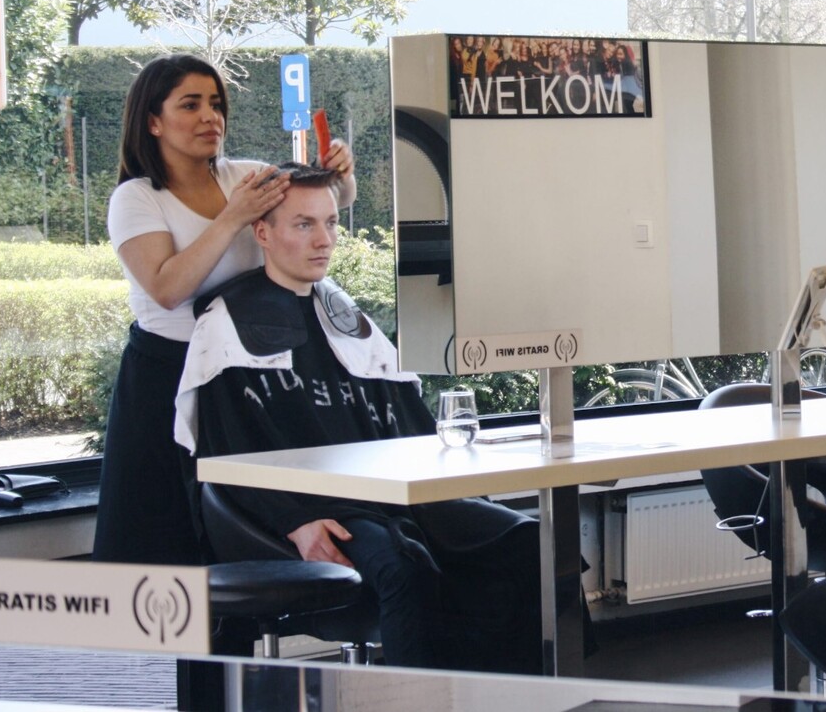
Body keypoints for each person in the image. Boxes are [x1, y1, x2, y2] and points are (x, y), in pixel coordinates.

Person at [174, 164, 542, 673]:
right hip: (317, 507)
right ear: (262, 232)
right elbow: (224, 452)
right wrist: (295, 522)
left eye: (330, 223)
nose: (323, 240)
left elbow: (405, 419)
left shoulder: (342, 314)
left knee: (528, 543)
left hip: (395, 495)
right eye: (304, 224)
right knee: (401, 569)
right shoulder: (228, 324)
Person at [93, 54, 355, 566]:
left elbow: (323, 203)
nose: (210, 117)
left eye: (216, 104)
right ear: (152, 120)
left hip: (243, 379)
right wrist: (233, 217)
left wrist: (339, 174)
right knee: (162, 541)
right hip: (164, 379)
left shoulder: (249, 175)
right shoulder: (136, 198)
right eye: (190, 105)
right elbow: (168, 288)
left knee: (238, 537)